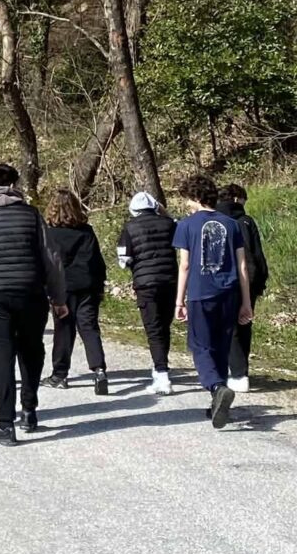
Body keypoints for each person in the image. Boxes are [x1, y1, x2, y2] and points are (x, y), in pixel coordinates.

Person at [0, 163, 68, 447]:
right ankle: (29, 410)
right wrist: (58, 298)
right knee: (31, 351)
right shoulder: (32, 216)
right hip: (29, 291)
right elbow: (51, 258)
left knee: (1, 355)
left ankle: (6, 424)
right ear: (15, 185)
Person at [173, 174, 254, 429]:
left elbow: (184, 266)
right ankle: (217, 401)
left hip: (201, 293)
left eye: (187, 198)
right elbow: (242, 266)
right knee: (220, 345)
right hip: (229, 293)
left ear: (195, 197)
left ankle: (217, 386)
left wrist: (179, 301)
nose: (187, 204)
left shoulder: (186, 225)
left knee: (200, 345)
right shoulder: (232, 224)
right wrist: (247, 302)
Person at [41, 189, 109, 395]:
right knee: (89, 327)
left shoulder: (49, 233)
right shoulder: (86, 231)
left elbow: (48, 263)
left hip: (63, 287)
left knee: (64, 330)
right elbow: (97, 261)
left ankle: (60, 374)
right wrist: (100, 286)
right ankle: (99, 370)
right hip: (87, 285)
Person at [117, 192, 178, 395]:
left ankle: (162, 374)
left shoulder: (130, 227)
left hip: (145, 284)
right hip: (170, 281)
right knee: (165, 326)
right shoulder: (169, 224)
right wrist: (164, 212)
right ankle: (160, 365)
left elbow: (123, 260)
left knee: (153, 329)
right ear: (155, 206)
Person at [216, 184, 269, 393]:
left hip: (223, 280)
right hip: (249, 280)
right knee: (243, 324)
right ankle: (240, 372)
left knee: (227, 327)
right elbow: (257, 254)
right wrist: (261, 280)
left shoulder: (214, 221)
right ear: (237, 199)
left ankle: (235, 372)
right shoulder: (246, 221)